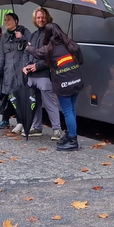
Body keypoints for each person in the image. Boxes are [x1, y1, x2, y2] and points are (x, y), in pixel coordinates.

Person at [26, 22, 83, 151]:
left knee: (67, 111)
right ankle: (70, 134)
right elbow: (81, 60)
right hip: (77, 80)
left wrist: (28, 47)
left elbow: (36, 53)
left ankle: (73, 140)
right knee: (72, 110)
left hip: (64, 84)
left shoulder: (50, 49)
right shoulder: (71, 44)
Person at [22, 7, 63, 140]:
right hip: (31, 76)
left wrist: (37, 66)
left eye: (43, 17)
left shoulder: (51, 34)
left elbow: (52, 57)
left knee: (50, 103)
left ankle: (57, 130)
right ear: (35, 19)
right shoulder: (33, 35)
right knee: (35, 103)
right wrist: (26, 66)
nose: (41, 19)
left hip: (44, 75)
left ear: (47, 18)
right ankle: (37, 127)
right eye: (38, 17)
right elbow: (26, 52)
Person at [0, 12, 31, 131]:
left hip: (22, 72)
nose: (6, 22)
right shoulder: (4, 37)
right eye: (5, 20)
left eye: (9, 20)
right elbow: (0, 56)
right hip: (9, 73)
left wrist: (22, 38)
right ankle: (19, 122)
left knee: (23, 97)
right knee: (13, 98)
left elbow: (32, 47)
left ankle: (26, 122)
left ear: (16, 21)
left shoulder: (24, 31)